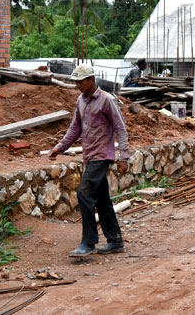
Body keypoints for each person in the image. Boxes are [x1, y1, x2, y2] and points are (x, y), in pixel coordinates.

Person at [48, 63, 130, 257]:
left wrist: (124, 156)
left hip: (101, 156)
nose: (77, 85)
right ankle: (115, 241)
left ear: (91, 80)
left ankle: (89, 242)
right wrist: (60, 147)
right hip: (89, 156)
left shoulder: (106, 100)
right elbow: (75, 128)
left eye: (80, 82)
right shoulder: (81, 101)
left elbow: (121, 129)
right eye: (76, 82)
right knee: (102, 200)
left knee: (84, 194)